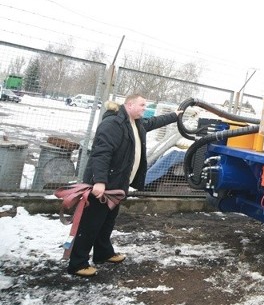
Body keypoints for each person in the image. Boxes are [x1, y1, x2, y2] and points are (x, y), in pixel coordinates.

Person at [67, 93, 183, 277]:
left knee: (107, 222)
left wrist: (175, 115)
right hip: (105, 185)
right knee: (91, 224)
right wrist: (99, 181)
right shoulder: (113, 124)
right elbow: (101, 154)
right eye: (142, 105)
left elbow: (154, 122)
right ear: (129, 105)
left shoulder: (136, 123)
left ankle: (103, 253)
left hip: (119, 183)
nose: (145, 108)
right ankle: (77, 263)